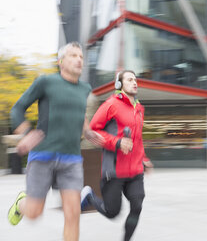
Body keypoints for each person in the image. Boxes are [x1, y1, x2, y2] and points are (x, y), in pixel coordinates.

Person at [7, 42, 103, 241]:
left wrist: (87, 130)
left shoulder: (85, 88)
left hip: (72, 159)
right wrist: (26, 133)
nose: (79, 60)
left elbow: (80, 111)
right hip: (43, 155)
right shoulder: (46, 82)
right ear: (61, 62)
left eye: (81, 57)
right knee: (34, 213)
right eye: (73, 55)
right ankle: (20, 203)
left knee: (73, 214)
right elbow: (17, 109)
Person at [81, 70, 153, 241]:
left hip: (135, 171)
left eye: (135, 80)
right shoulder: (110, 104)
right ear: (119, 85)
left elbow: (138, 139)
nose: (134, 82)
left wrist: (144, 159)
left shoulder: (139, 109)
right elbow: (93, 131)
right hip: (114, 170)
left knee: (137, 205)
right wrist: (117, 143)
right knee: (112, 212)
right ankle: (90, 195)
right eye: (129, 80)